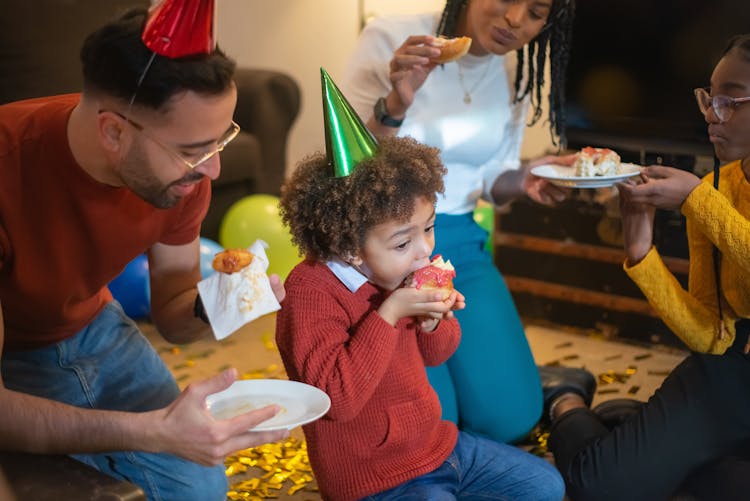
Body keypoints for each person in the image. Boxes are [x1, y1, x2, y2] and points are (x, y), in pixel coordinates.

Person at [0, 7, 287, 501]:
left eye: (222, 139)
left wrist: (222, 300)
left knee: (200, 490)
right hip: (12, 351)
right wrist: (153, 430)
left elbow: (174, 317)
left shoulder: (181, 179)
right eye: (195, 149)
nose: (214, 170)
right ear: (113, 133)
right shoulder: (10, 167)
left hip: (93, 322)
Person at [275, 71, 565, 500]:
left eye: (428, 228)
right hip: (373, 477)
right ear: (349, 247)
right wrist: (390, 313)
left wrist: (434, 320)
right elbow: (336, 399)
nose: (424, 250)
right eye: (403, 241)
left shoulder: (397, 272)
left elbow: (438, 353)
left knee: (546, 486)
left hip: (438, 447)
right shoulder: (310, 292)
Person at [342, 0, 595, 445]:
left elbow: (490, 178)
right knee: (427, 425)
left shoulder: (516, 71)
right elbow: (345, 170)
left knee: (512, 419)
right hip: (382, 254)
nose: (516, 20)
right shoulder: (390, 40)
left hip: (457, 243)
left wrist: (528, 178)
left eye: (536, 12)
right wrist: (395, 104)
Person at [546, 33, 750, 501]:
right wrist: (641, 250)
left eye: (731, 101)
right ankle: (565, 399)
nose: (710, 115)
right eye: (708, 99)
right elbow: (708, 334)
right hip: (732, 372)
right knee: (599, 487)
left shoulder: (704, 197)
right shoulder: (718, 188)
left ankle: (640, 433)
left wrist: (697, 201)